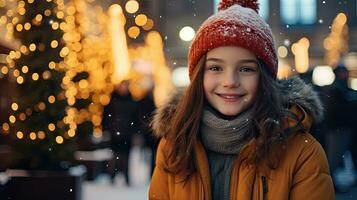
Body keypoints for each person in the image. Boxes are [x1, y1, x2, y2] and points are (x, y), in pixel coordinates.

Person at [149, 0, 334, 199]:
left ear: (264, 78)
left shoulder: (302, 152)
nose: (230, 81)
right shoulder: (174, 146)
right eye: (215, 68)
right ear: (199, 76)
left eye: (246, 69)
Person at [103, 80, 140, 186]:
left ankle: (126, 176)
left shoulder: (132, 100)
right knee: (114, 156)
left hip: (127, 134)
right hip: (115, 133)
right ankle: (112, 175)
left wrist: (135, 132)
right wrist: (107, 129)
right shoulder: (113, 99)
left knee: (126, 157)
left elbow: (136, 118)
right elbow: (107, 116)